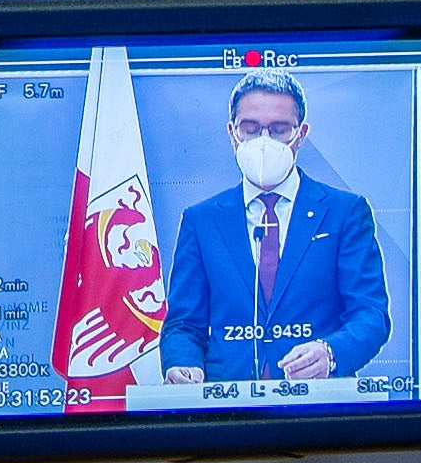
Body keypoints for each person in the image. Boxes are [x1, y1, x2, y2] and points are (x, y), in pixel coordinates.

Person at [156, 70, 387, 389]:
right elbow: (183, 324)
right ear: (232, 133)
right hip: (227, 405)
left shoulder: (344, 212)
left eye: (279, 130)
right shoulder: (202, 220)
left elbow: (371, 314)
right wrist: (182, 363)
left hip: (320, 402)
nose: (263, 142)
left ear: (301, 134)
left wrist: (330, 352)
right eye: (250, 129)